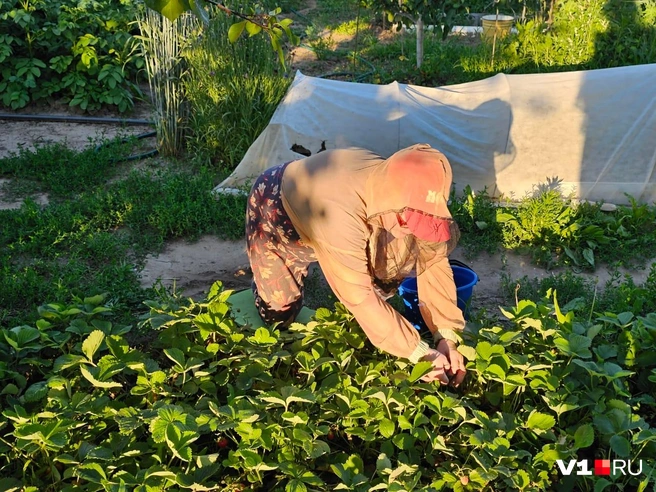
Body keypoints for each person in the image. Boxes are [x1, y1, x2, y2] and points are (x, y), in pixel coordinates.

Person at [245, 143, 467, 385]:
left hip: (346, 211)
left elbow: (433, 260)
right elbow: (357, 294)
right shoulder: (340, 215)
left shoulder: (410, 187)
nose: (411, 226)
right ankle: (270, 282)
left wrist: (446, 335)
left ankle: (379, 322)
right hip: (278, 209)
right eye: (408, 219)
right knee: (278, 314)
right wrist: (418, 351)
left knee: (393, 265)